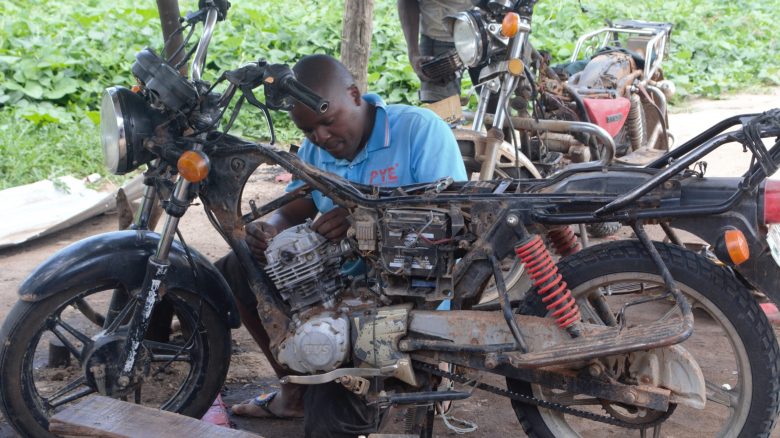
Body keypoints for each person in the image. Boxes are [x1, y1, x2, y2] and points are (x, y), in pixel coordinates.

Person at [220, 54, 467, 435]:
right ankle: (294, 385)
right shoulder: (316, 151)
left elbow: (455, 220)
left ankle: (428, 369)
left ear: (355, 95)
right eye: (308, 131)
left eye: (327, 122)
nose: (320, 137)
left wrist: (364, 223)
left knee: (329, 422)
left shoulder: (419, 131)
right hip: (335, 291)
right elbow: (292, 208)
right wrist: (269, 230)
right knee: (238, 268)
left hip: (405, 298)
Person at [397, 0, 474, 103]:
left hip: (487, 28)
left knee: (497, 105)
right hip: (437, 35)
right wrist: (413, 52)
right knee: (442, 112)